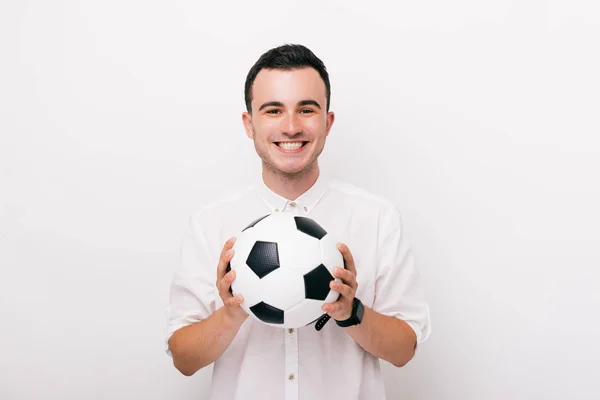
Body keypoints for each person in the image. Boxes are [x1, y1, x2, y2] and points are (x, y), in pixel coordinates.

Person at [165, 44, 431, 400]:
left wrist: (351, 312)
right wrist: (230, 313)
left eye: (306, 109)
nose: (291, 127)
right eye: (273, 110)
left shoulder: (377, 218)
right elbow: (183, 359)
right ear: (249, 123)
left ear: (327, 121)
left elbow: (404, 350)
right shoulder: (210, 223)